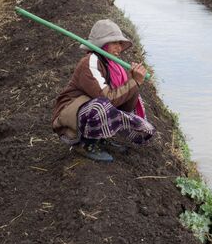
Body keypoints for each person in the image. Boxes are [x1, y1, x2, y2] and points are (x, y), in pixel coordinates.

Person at [52, 19, 156, 162]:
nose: (119, 48)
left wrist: (132, 82)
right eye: (114, 43)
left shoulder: (115, 67)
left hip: (89, 110)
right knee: (101, 105)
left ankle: (99, 139)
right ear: (103, 44)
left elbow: (124, 106)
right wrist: (134, 82)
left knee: (139, 114)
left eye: (120, 43)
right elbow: (108, 99)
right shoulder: (90, 61)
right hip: (70, 114)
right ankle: (86, 144)